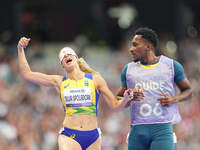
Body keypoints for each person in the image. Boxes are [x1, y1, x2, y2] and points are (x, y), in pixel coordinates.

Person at [17, 37, 134, 150]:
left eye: (69, 53)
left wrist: (125, 99)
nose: (66, 56)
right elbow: (27, 74)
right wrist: (20, 49)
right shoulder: (60, 82)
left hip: (93, 136)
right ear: (62, 65)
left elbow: (114, 106)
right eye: (63, 56)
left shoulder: (95, 80)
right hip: (69, 135)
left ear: (76, 58)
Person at [117, 27, 192, 150]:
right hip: (137, 130)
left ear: (148, 46)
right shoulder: (128, 70)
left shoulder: (171, 66)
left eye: (135, 45)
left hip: (162, 131)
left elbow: (188, 91)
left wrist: (174, 99)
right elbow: (118, 99)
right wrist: (129, 98)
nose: (131, 49)